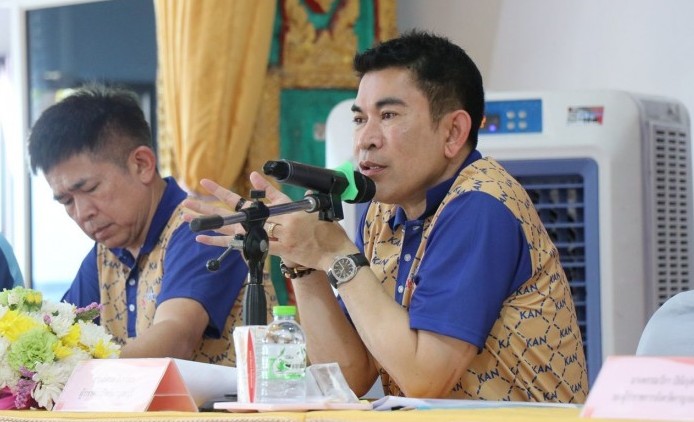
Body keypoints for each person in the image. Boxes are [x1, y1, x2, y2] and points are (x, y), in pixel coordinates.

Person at [184, 30, 588, 401]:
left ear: (453, 133)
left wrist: (335, 254)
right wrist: (302, 259)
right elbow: (347, 379)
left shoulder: (481, 205)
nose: (365, 139)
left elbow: (425, 378)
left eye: (389, 115)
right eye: (360, 118)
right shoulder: (381, 210)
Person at [27, 85, 273, 365]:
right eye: (66, 201)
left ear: (142, 164)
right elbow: (60, 334)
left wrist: (76, 369)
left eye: (91, 188)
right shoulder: (105, 254)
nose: (83, 213)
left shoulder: (202, 228)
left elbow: (176, 338)